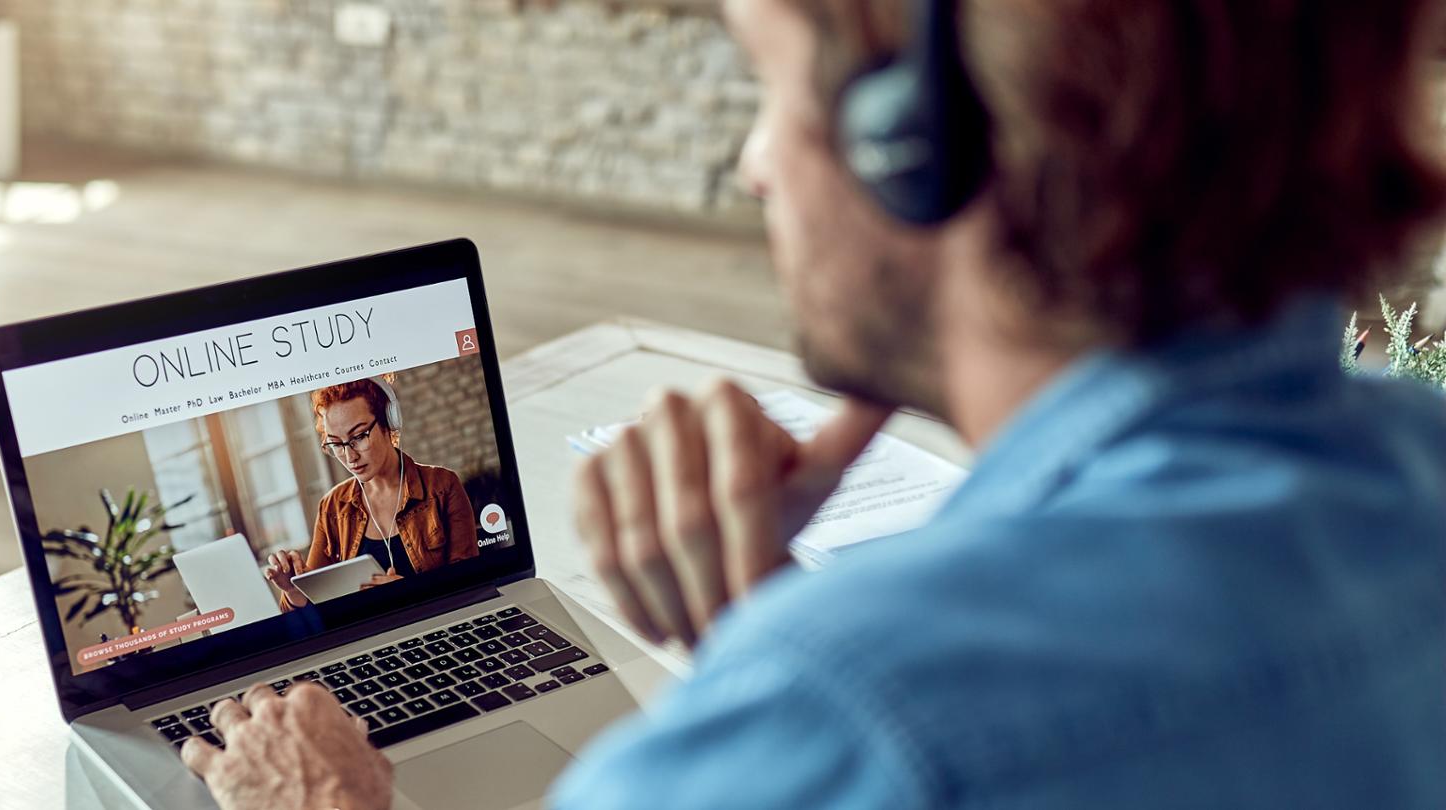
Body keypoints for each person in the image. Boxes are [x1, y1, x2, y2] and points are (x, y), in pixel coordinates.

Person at [182, 0, 1446, 806]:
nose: (754, 162)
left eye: (772, 83)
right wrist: (773, 648)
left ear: (923, 139)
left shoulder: (857, 724)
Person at [263, 377, 478, 611]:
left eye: (358, 437)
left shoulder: (442, 487)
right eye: (336, 444)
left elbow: (471, 587)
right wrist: (294, 590)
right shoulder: (332, 508)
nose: (349, 457)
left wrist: (410, 594)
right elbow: (315, 612)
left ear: (389, 421)